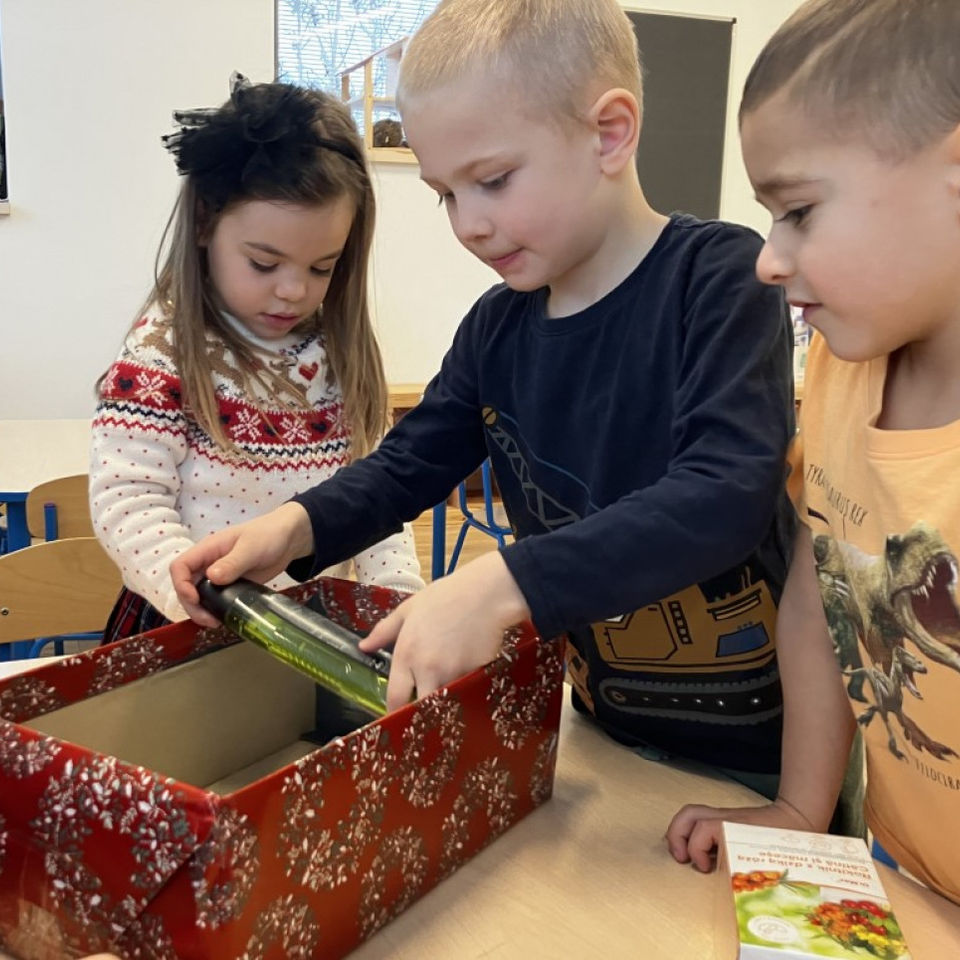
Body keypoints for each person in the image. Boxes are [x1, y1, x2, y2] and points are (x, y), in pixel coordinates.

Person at [172, 0, 796, 793]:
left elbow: (725, 493)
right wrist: (293, 529)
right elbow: (408, 464)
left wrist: (500, 583)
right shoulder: (498, 327)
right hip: (602, 736)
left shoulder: (718, 280)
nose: (468, 224)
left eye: (493, 181)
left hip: (762, 764)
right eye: (445, 195)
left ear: (609, 133)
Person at [666, 0, 960, 905]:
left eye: (797, 211)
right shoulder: (836, 366)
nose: (767, 259)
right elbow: (818, 588)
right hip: (910, 879)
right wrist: (800, 809)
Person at [90, 74, 423, 642]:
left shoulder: (334, 355)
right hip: (191, 624)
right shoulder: (160, 353)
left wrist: (395, 601)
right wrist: (207, 595)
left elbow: (372, 502)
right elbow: (128, 502)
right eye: (265, 264)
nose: (294, 290)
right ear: (204, 226)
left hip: (313, 630)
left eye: (322, 267)